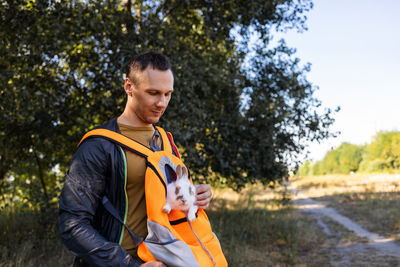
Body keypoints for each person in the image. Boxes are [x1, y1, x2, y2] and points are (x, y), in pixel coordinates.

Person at [59, 51, 212, 267]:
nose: (162, 103)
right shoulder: (98, 145)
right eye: (153, 93)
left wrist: (196, 196)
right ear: (129, 86)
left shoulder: (166, 141)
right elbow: (72, 224)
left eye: (168, 94)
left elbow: (166, 203)